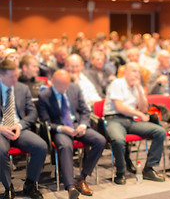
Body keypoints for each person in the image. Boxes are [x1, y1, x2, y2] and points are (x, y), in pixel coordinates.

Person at [38, 69, 106, 199]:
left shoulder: (74, 88)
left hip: (76, 125)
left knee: (100, 140)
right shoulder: (45, 95)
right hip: (60, 128)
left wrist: (83, 125)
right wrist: (61, 128)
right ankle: (70, 187)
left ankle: (81, 178)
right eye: (60, 86)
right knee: (65, 145)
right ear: (52, 82)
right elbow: (45, 122)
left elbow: (85, 111)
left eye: (66, 85)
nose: (64, 89)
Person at [103, 62, 166, 185]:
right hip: (114, 119)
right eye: (133, 71)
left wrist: (139, 90)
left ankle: (149, 169)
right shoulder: (117, 83)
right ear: (125, 72)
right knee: (118, 140)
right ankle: (120, 172)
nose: (136, 74)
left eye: (138, 71)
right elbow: (119, 107)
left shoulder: (137, 86)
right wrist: (139, 114)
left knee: (159, 131)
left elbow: (144, 108)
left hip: (130, 120)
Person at [0, 60, 48, 199]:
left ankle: (30, 185)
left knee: (41, 146)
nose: (15, 79)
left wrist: (20, 125)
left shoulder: (22, 88)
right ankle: (8, 187)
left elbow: (33, 113)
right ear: (1, 76)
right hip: (1, 129)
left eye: (16, 75)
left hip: (18, 128)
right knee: (0, 150)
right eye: (11, 77)